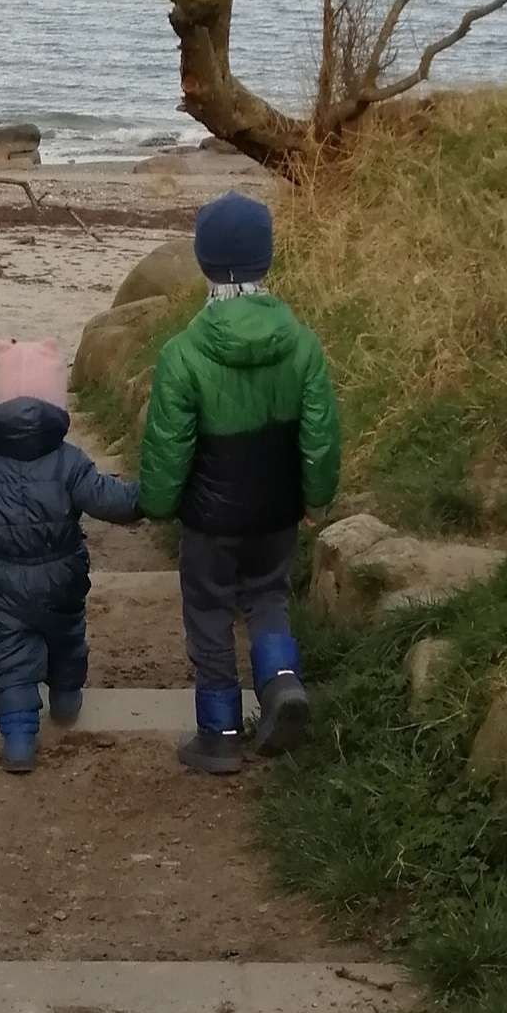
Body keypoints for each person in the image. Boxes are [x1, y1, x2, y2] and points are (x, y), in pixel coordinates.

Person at [136, 192, 342, 776]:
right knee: (267, 597)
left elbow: (168, 447)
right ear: (266, 261)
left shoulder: (182, 354)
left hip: (210, 520)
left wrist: (156, 504)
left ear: (203, 262)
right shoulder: (302, 344)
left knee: (208, 614)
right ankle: (282, 684)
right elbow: (321, 435)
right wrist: (316, 497)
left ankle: (221, 734)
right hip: (276, 512)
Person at [0, 340, 142, 775]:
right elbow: (111, 500)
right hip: (63, 577)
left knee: (10, 653)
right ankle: (66, 698)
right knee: (67, 636)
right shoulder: (69, 461)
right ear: (56, 405)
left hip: (1, 581)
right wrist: (149, 495)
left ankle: (17, 740)